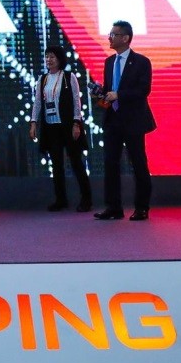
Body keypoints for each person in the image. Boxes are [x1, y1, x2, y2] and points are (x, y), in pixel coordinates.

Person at [95, 20, 156, 221]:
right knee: (110, 163)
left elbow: (143, 90)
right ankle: (113, 207)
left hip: (133, 121)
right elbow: (108, 91)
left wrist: (119, 95)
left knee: (138, 163)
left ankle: (142, 208)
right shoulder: (109, 62)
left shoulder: (141, 62)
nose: (109, 38)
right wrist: (101, 95)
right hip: (112, 120)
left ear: (125, 38)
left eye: (113, 34)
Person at [29, 46, 92, 212]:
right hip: (51, 127)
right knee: (56, 165)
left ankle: (86, 199)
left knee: (76, 162)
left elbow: (76, 102)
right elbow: (37, 103)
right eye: (47, 56)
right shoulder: (42, 79)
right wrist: (33, 122)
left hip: (68, 126)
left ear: (60, 59)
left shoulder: (68, 77)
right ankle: (61, 199)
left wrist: (76, 123)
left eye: (52, 57)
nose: (48, 60)